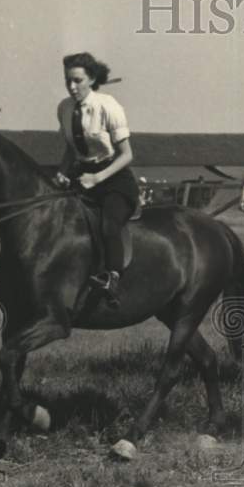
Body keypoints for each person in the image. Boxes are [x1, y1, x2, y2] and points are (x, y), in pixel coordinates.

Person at [53, 52, 139, 308]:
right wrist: (62, 171)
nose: (72, 87)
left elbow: (127, 155)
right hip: (82, 176)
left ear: (91, 79)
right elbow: (71, 148)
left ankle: (112, 279)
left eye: (78, 80)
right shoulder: (64, 108)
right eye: (68, 81)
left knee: (108, 224)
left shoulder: (108, 105)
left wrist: (98, 177)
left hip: (115, 179)